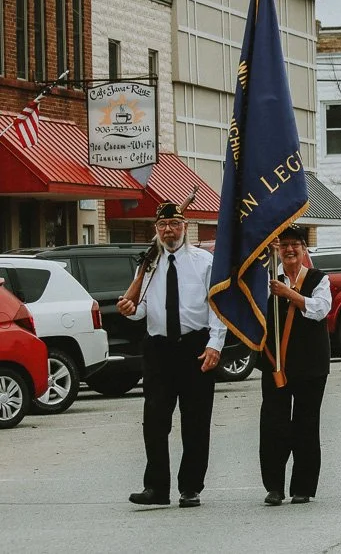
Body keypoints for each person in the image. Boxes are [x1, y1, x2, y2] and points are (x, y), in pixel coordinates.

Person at [117, 201, 226, 508]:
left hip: (195, 348)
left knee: (195, 421)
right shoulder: (148, 265)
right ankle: (156, 488)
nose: (169, 231)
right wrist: (130, 311)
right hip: (158, 350)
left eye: (174, 225)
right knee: (154, 420)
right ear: (156, 230)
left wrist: (215, 345)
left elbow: (217, 307)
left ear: (184, 227)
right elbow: (142, 309)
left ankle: (190, 487)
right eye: (163, 226)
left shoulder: (204, 262)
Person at [259, 225, 333, 506]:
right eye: (284, 244)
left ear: (304, 249)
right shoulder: (267, 279)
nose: (289, 250)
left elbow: (320, 309)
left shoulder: (318, 279)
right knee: (273, 425)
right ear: (277, 249)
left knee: (306, 424)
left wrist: (289, 293)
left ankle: (302, 487)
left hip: (310, 364)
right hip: (274, 363)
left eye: (295, 245)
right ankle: (274, 487)